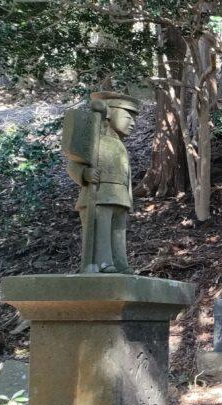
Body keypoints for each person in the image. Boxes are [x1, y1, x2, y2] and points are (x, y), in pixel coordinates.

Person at [66, 92, 140, 273]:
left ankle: (121, 262)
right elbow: (72, 164)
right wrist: (85, 173)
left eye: (134, 119)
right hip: (98, 194)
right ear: (110, 113)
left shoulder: (120, 145)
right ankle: (103, 262)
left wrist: (129, 198)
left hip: (120, 197)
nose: (133, 123)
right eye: (127, 117)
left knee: (118, 232)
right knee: (101, 230)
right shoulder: (93, 139)